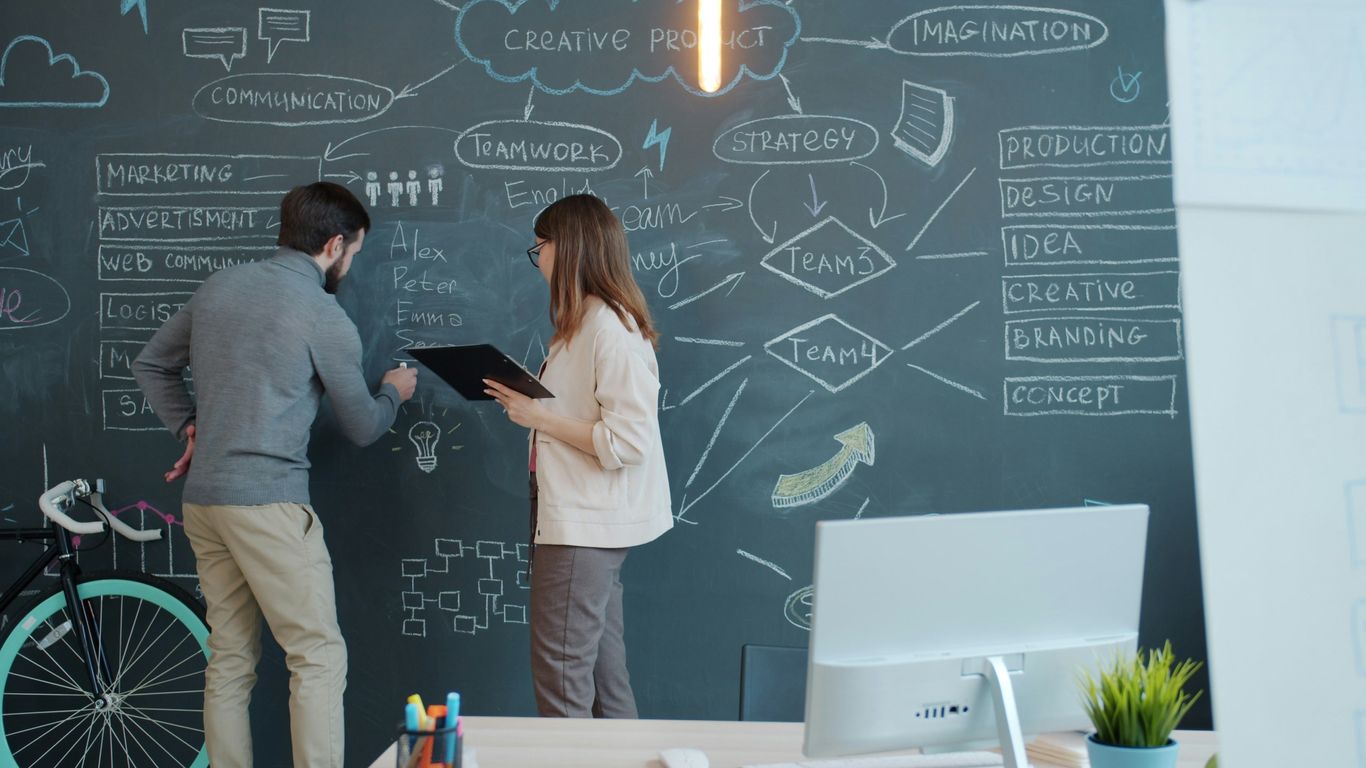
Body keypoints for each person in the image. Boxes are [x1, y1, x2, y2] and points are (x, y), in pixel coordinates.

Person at [132, 181, 417, 768]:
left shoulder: (219, 289)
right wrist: (393, 392)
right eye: (354, 253)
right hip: (269, 506)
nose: (351, 265)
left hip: (205, 500)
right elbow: (362, 425)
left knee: (231, 659)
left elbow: (151, 363)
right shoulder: (321, 313)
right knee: (316, 655)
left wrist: (190, 427)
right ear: (334, 244)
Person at [484, 193, 672, 718]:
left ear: (567, 248)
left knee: (561, 677)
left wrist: (538, 417)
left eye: (539, 246)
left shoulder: (608, 330)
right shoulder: (585, 324)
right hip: (576, 517)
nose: (537, 258)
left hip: (583, 526)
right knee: (603, 676)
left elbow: (628, 442)